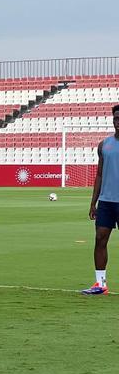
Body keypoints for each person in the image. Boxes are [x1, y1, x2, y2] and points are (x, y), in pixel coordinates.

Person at [83, 104, 119, 295]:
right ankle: (100, 284)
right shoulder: (104, 145)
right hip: (106, 201)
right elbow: (99, 175)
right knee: (100, 239)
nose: (118, 122)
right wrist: (93, 202)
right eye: (116, 118)